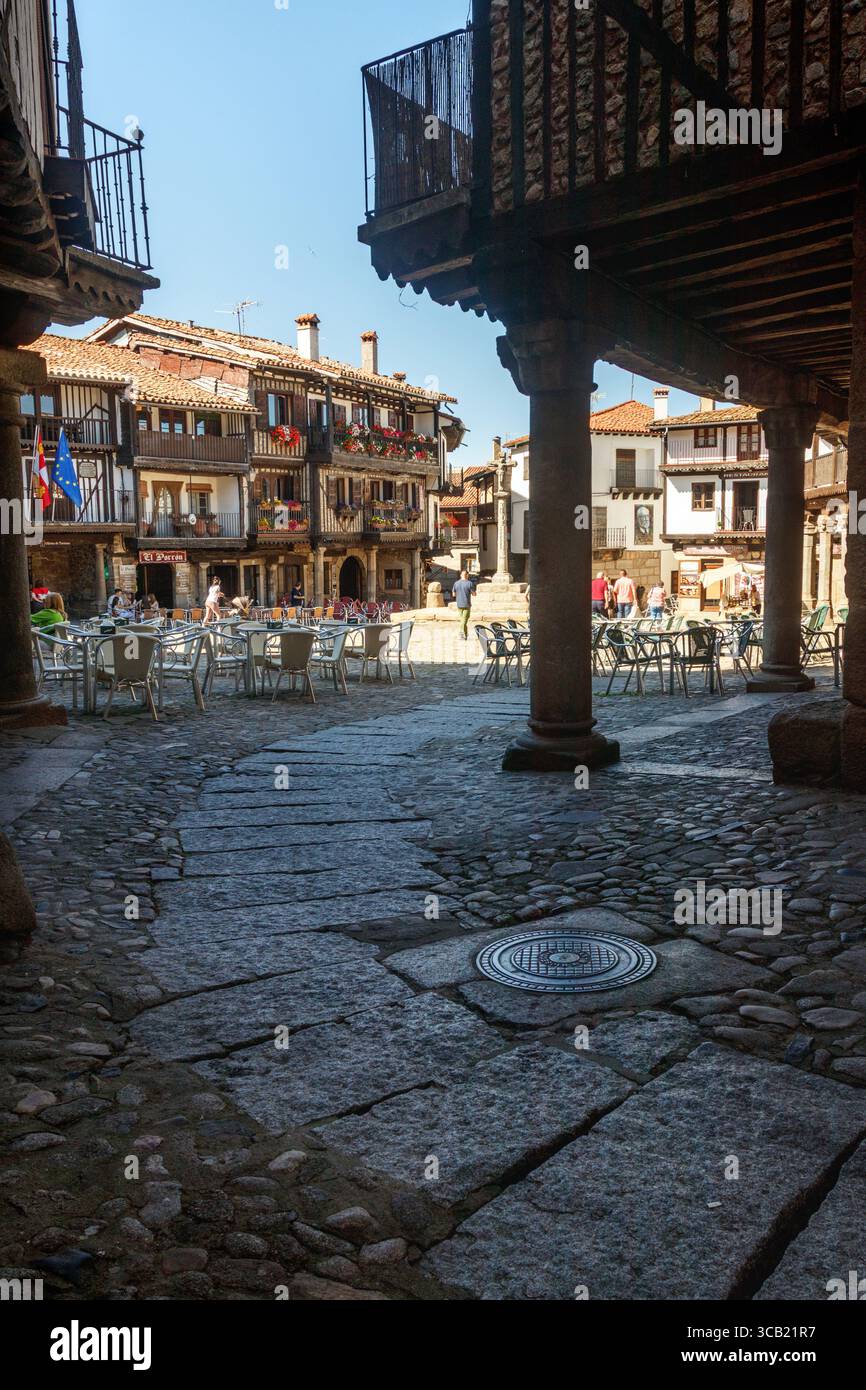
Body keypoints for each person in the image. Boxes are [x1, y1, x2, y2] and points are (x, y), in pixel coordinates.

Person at [453, 568, 473, 640]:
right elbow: (473, 593)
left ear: (461, 575)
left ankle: (466, 634)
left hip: (459, 604)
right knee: (464, 620)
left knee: (462, 620)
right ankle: (461, 633)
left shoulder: (456, 583)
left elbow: (453, 594)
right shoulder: (469, 583)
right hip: (467, 604)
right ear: (467, 575)